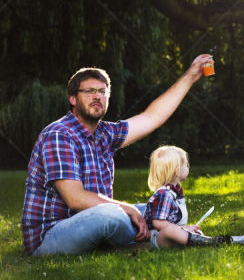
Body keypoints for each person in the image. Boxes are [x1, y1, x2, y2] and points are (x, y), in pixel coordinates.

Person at [21, 54, 213, 255]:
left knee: (164, 209)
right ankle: (151, 242)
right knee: (112, 214)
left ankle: (162, 233)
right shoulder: (59, 134)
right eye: (89, 91)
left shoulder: (106, 133)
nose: (97, 96)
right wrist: (127, 209)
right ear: (72, 98)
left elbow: (152, 117)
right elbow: (75, 198)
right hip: (51, 235)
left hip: (94, 219)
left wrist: (191, 75)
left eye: (102, 92)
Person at [144, 145, 229, 248]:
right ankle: (206, 242)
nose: (188, 168)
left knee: (196, 232)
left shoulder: (174, 192)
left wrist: (185, 229)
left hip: (171, 233)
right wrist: (183, 229)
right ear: (177, 170)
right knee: (172, 231)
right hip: (157, 238)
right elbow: (158, 223)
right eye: (186, 166)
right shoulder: (164, 194)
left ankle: (204, 241)